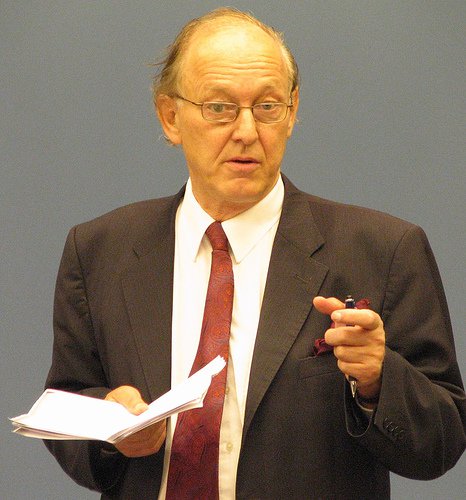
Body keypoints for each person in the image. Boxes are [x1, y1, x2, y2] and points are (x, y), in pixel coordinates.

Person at [44, 7, 466, 499]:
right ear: (170, 116)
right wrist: (111, 429)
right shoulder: (100, 250)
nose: (246, 131)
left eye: (267, 106)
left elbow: (442, 443)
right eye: (219, 107)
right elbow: (69, 404)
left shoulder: (384, 249)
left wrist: (377, 380)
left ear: (292, 112)